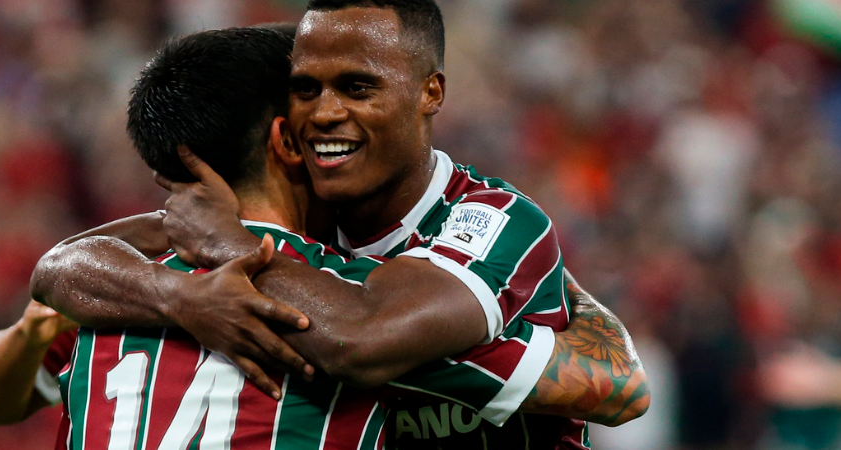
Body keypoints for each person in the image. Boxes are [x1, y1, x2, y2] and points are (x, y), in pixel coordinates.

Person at [32, 1, 649, 448]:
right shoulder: (303, 215)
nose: (327, 112)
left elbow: (616, 387)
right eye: (307, 89)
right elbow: (59, 268)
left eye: (357, 88)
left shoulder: (485, 220)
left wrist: (228, 248)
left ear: (430, 92)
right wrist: (182, 296)